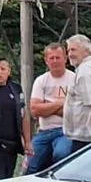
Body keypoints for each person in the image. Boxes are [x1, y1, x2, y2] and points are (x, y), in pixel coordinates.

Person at [26, 43, 75, 174]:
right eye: (51, 58)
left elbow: (75, 111)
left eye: (58, 57)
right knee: (30, 164)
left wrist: (47, 106)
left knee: (61, 154)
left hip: (66, 130)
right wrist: (61, 103)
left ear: (65, 59)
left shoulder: (74, 79)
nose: (55, 61)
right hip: (44, 131)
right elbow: (35, 110)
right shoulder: (41, 81)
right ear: (46, 60)